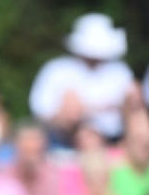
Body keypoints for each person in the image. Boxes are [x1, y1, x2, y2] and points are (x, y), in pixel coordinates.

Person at [29, 13, 138, 145]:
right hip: (62, 140)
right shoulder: (56, 70)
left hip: (114, 141)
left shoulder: (119, 71)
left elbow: (133, 105)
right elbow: (41, 109)